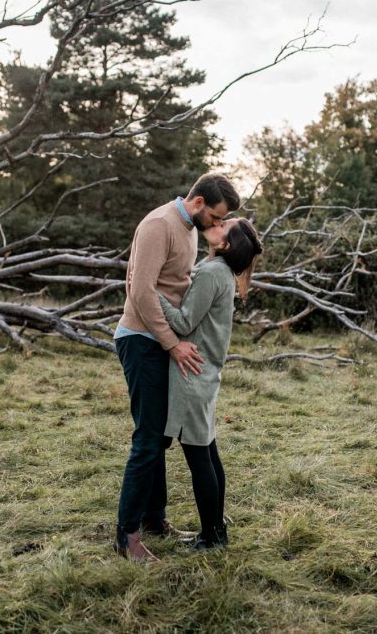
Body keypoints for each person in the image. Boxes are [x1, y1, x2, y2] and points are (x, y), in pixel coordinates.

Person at [113, 173, 241, 561]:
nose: (218, 226)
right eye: (217, 218)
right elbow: (138, 290)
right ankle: (127, 537)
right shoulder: (159, 225)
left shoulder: (188, 229)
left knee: (159, 440)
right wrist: (173, 344)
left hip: (163, 340)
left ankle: (154, 519)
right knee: (147, 442)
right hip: (142, 339)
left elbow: (174, 285)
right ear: (199, 202)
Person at [159, 218, 262, 550]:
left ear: (225, 244)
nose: (216, 224)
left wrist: (151, 292)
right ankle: (216, 530)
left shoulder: (211, 273)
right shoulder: (222, 273)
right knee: (208, 453)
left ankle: (211, 536)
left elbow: (184, 321)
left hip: (192, 374)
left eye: (223, 226)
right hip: (205, 373)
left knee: (200, 457)